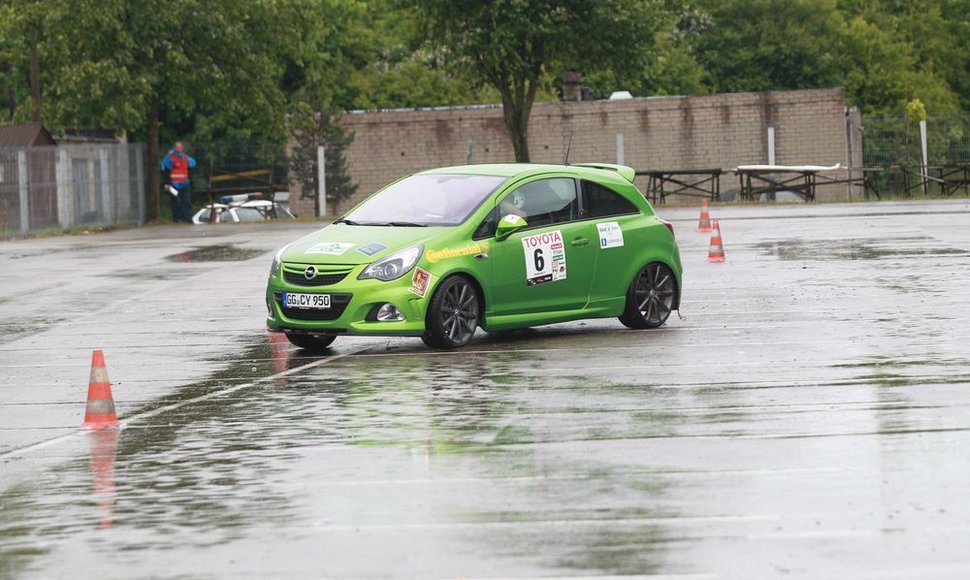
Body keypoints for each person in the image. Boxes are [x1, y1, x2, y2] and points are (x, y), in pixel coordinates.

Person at [160, 141, 197, 223]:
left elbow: (191, 167)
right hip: (174, 184)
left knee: (186, 201)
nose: (179, 149)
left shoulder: (185, 157)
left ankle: (187, 219)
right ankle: (176, 219)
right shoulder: (170, 158)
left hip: (185, 183)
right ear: (175, 148)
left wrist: (191, 181)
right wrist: (166, 183)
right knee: (175, 202)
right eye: (177, 147)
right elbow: (165, 170)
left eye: (180, 147)